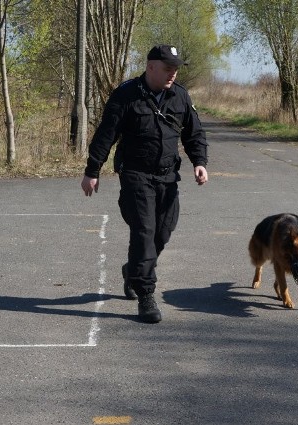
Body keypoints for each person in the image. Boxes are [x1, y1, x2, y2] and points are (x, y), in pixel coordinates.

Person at [81, 44, 208, 324]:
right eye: (167, 68)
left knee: (162, 233)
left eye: (175, 69)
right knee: (144, 231)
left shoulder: (180, 96)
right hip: (136, 175)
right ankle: (146, 294)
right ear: (151, 67)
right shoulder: (126, 95)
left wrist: (200, 162)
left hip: (167, 176)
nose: (172, 74)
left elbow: (194, 133)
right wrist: (93, 170)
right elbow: (106, 134)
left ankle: (133, 270)